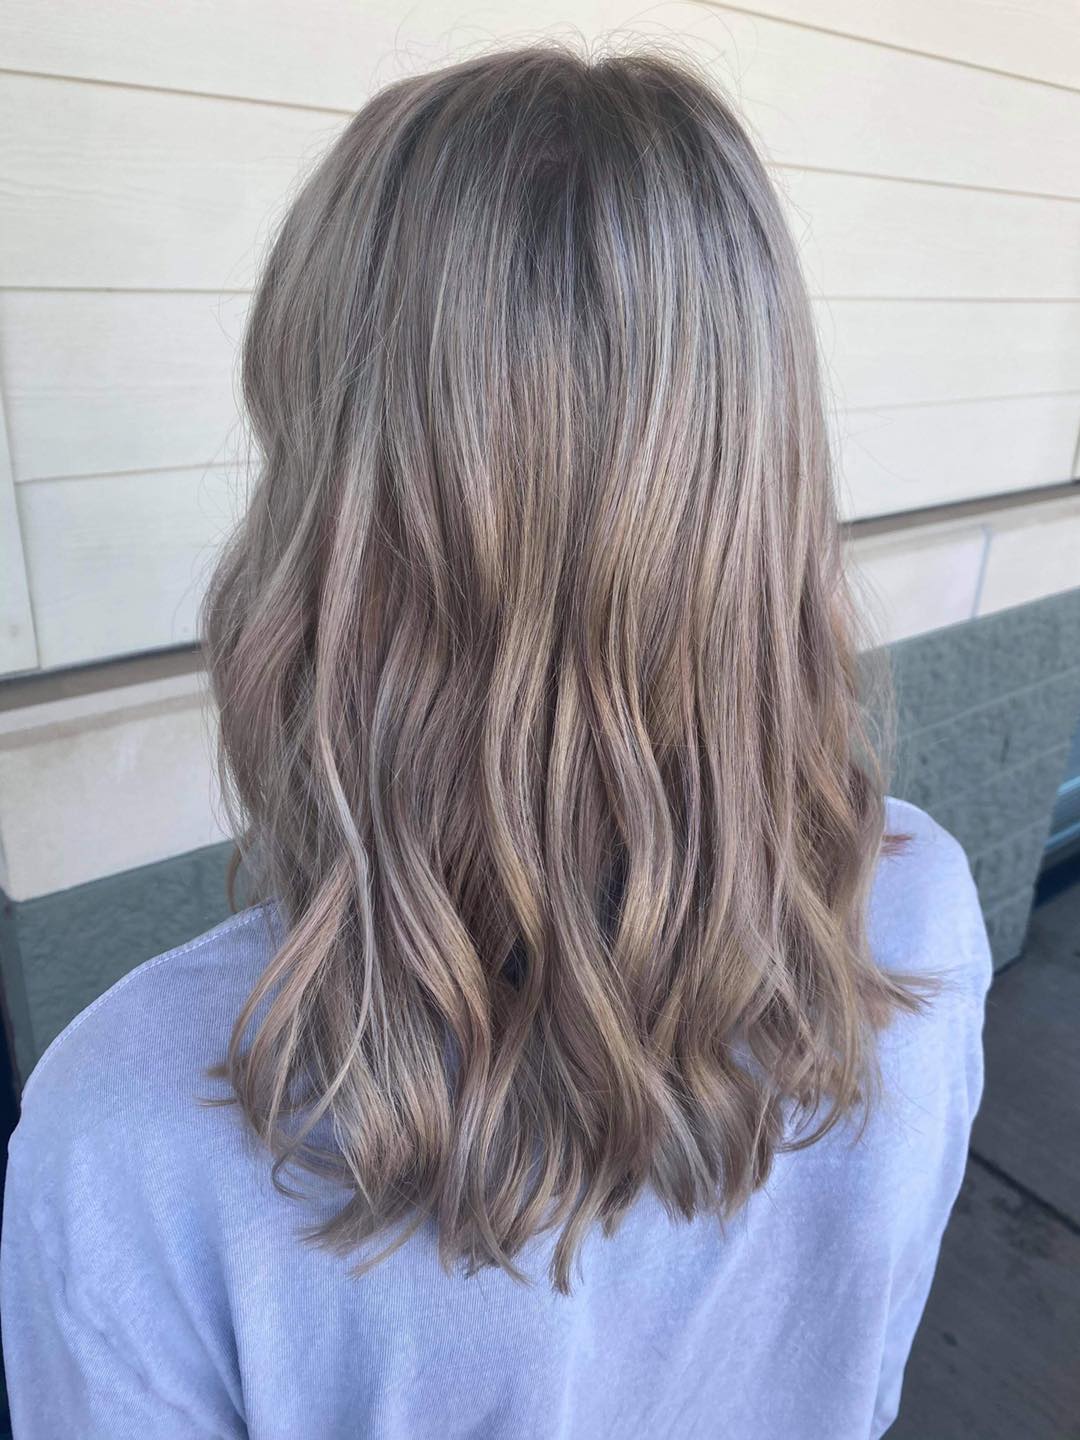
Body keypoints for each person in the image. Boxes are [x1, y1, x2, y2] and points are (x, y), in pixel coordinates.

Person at [0, 45, 991, 1439]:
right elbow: (862, 1384)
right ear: (761, 477)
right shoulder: (921, 920)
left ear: (324, 516)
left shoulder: (131, 1133)